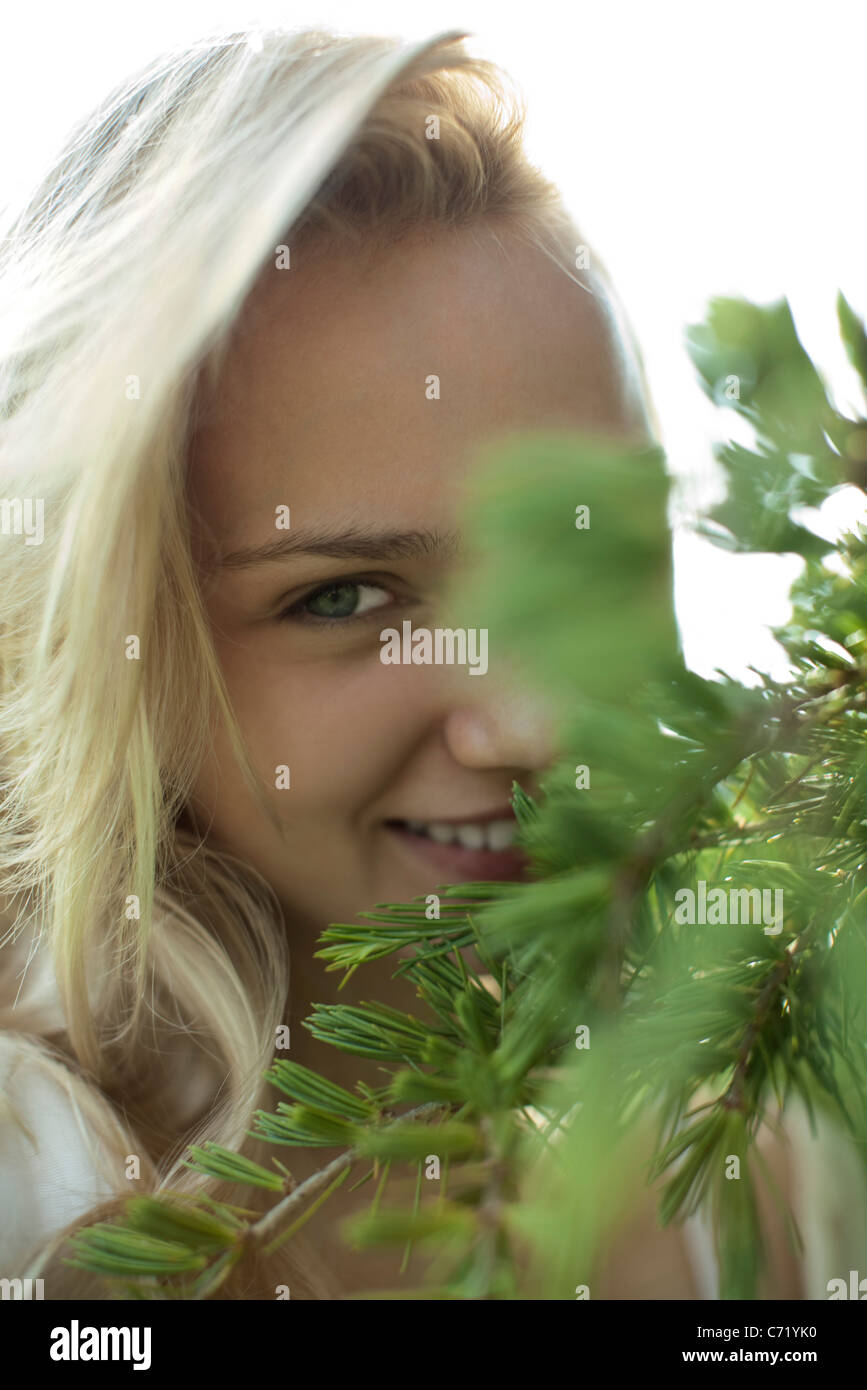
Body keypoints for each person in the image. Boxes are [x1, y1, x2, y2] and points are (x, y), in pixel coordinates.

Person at [0, 24, 851, 1300]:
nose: (529, 719)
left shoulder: (788, 1174)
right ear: (105, 639)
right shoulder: (41, 1225)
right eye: (345, 595)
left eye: (585, 559)